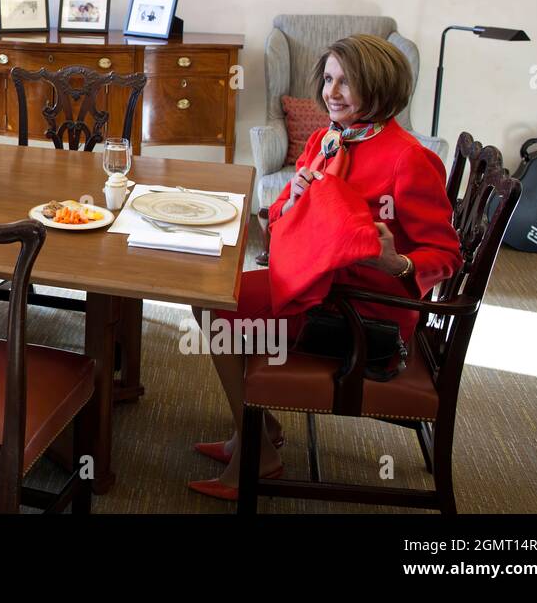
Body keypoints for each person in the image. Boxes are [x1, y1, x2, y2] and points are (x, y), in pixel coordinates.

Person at [188, 34, 462, 501]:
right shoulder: (326, 139)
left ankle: (258, 451)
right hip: (317, 285)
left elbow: (447, 256)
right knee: (209, 298)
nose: (332, 92)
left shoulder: (409, 159)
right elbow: (279, 221)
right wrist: (290, 202)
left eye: (347, 81)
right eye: (329, 78)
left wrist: (398, 263)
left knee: (218, 313)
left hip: (363, 313)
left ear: (380, 86)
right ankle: (256, 428)